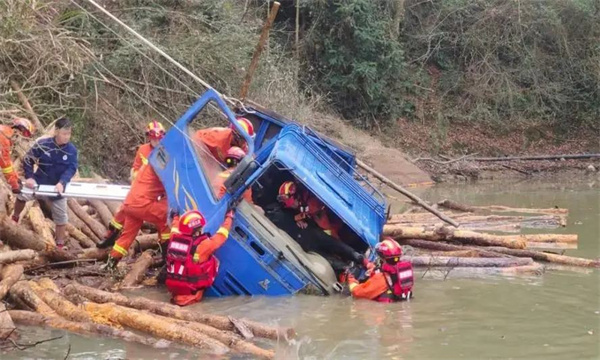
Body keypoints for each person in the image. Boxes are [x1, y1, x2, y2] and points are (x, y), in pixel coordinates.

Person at [97, 120, 166, 249]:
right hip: (140, 188)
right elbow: (135, 168)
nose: (156, 141)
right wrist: (136, 181)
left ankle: (164, 247)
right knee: (123, 210)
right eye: (154, 138)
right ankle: (110, 235)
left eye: (159, 139)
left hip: (157, 191)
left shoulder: (166, 152)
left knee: (164, 219)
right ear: (149, 137)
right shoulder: (143, 150)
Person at [13, 117, 77, 249]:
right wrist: (29, 177)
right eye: (64, 133)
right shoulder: (44, 144)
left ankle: (59, 244)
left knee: (61, 217)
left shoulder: (71, 150)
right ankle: (14, 218)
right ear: (57, 131)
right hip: (40, 181)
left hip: (57, 186)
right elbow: (28, 159)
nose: (67, 137)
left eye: (69, 134)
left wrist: (62, 182)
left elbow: (71, 168)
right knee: (21, 195)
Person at [106, 163, 170, 268]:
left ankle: (111, 264)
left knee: (127, 236)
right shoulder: (160, 167)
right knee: (167, 217)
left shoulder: (148, 165)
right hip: (142, 204)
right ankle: (167, 256)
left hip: (130, 204)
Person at [165, 209, 234, 306]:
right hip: (192, 297)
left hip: (175, 295)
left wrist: (175, 216)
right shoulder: (203, 246)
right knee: (214, 261)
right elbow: (222, 235)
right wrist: (229, 217)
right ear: (197, 230)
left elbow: (175, 228)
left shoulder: (174, 238)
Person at [347, 238, 414, 302]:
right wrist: (368, 264)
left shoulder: (381, 279)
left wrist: (350, 278)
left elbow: (357, 293)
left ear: (382, 258)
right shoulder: (403, 273)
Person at [277, 180, 342, 239]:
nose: (292, 206)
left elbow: (326, 227)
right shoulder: (303, 203)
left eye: (292, 203)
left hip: (335, 223)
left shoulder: (312, 204)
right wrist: (298, 219)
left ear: (297, 196)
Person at [0, 117, 35, 195]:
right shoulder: (4, 140)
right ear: (20, 131)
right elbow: (6, 166)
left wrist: (16, 178)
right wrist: (14, 184)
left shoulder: (4, 131)